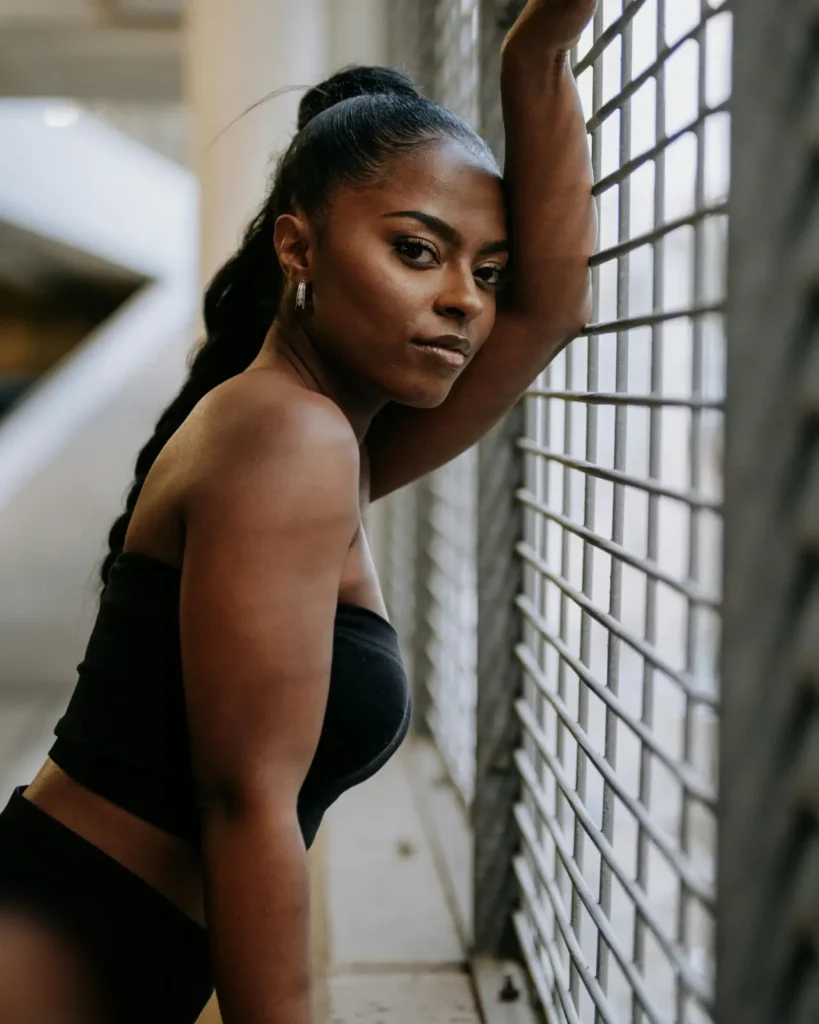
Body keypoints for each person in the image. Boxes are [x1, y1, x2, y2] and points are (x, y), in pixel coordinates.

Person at [0, 1, 598, 1021]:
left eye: (482, 271)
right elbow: (245, 806)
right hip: (63, 950)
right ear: (299, 246)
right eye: (418, 250)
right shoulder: (288, 439)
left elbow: (545, 313)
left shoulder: (323, 435)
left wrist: (537, 51)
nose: (464, 298)